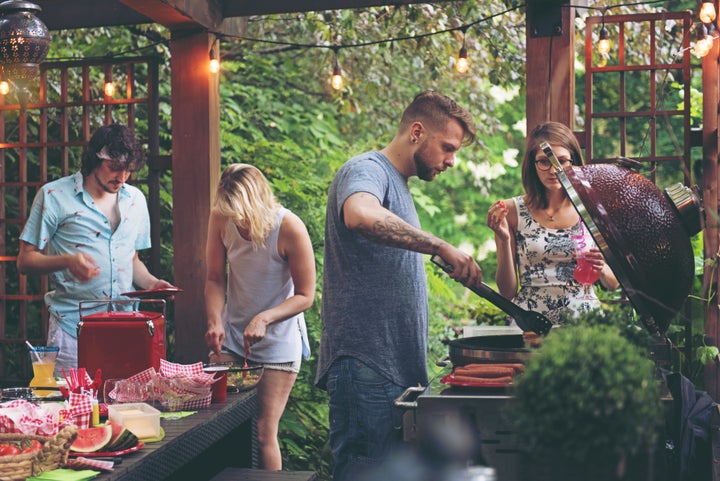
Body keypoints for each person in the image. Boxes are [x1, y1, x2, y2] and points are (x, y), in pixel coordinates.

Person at [315, 90, 484, 481]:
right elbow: (359, 214)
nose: (451, 161)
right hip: (367, 365)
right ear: (417, 132)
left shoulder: (400, 185)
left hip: (394, 368)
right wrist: (440, 244)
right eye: (447, 147)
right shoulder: (366, 169)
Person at [17, 123, 175, 376]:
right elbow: (25, 261)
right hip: (72, 328)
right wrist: (67, 261)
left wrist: (152, 283)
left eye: (127, 170)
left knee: (124, 408)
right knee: (70, 410)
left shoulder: (136, 199)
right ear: (94, 160)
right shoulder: (54, 195)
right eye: (114, 168)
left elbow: (131, 259)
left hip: (126, 327)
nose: (122, 177)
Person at [204, 163, 315, 471]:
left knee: (264, 431)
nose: (235, 221)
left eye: (240, 215)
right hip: (233, 338)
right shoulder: (220, 217)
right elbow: (214, 278)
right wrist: (215, 320)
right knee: (219, 427)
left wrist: (265, 318)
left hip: (278, 344)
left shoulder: (289, 227)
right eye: (230, 214)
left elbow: (306, 295)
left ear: (257, 203)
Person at [486, 121, 619, 324]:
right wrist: (504, 240)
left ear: (573, 161)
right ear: (533, 164)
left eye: (562, 160)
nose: (553, 170)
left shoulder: (593, 209)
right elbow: (507, 292)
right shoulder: (512, 211)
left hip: (584, 322)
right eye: (544, 161)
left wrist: (601, 268)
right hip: (531, 323)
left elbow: (613, 283)